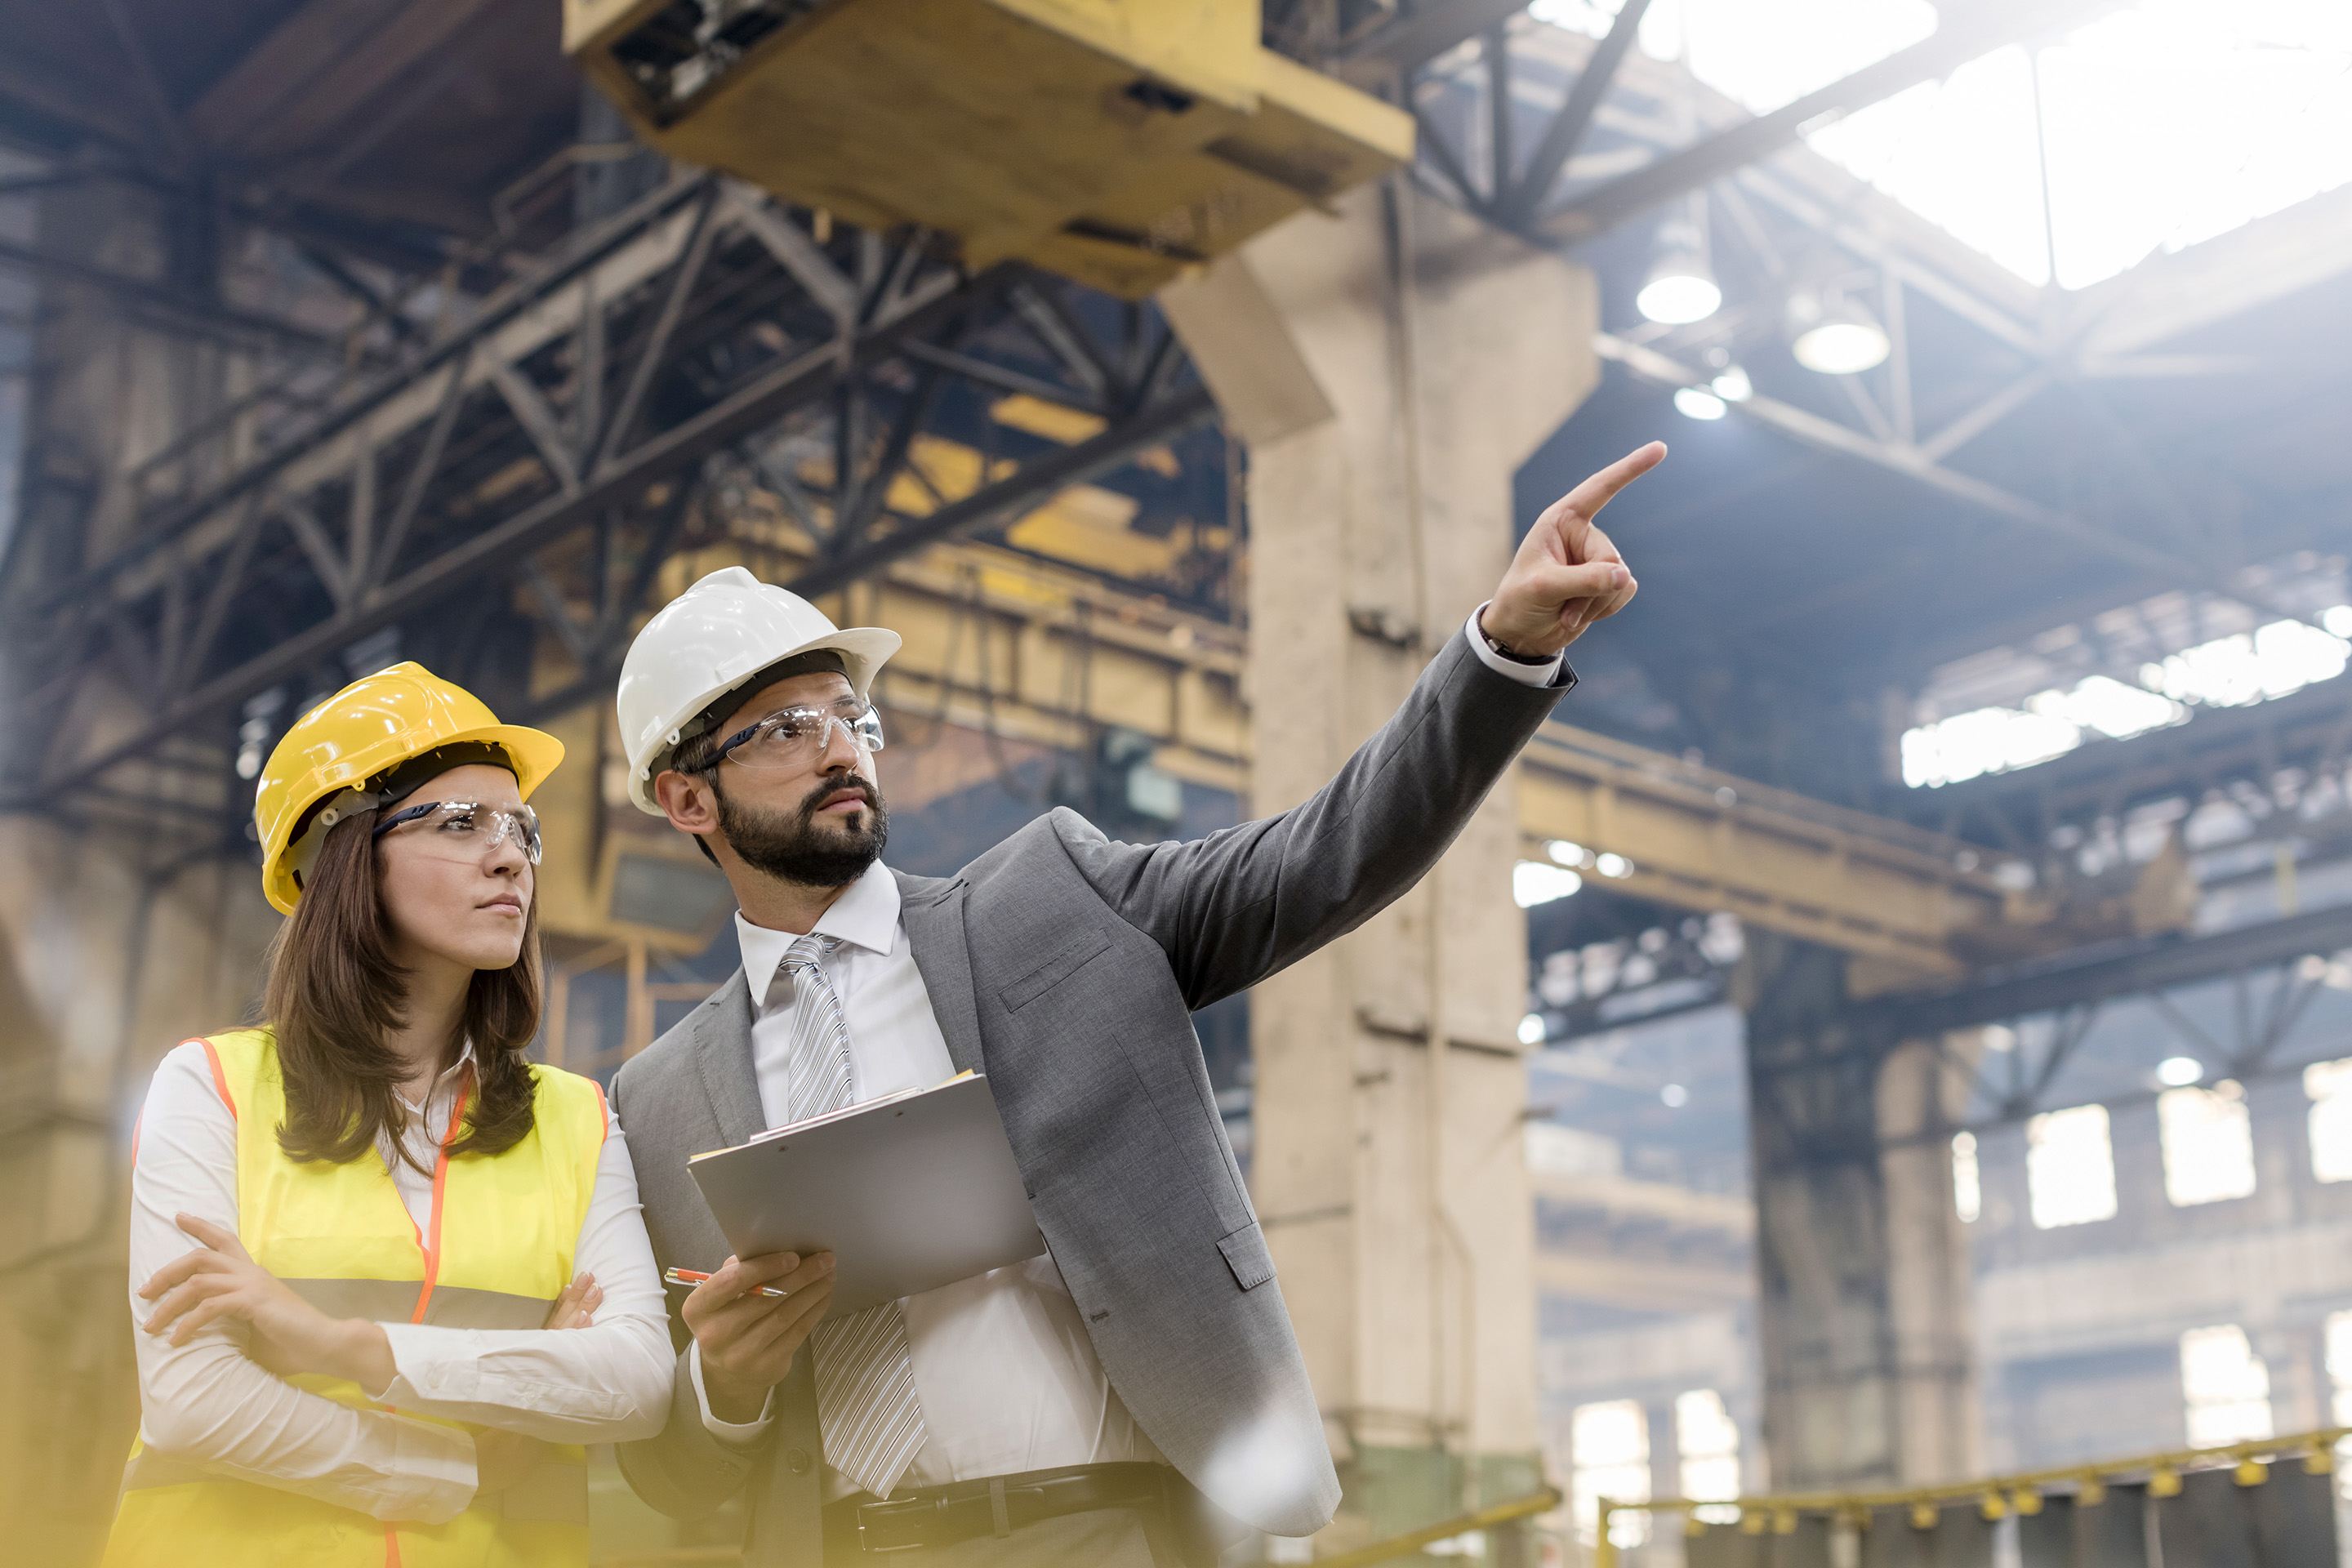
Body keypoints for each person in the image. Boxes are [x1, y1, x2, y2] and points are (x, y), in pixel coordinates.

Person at [608, 443, 1662, 1566]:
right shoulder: (659, 1101)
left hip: (1119, 1531)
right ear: (685, 798)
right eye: (783, 728)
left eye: (848, 716)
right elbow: (665, 1471)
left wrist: (1501, 649)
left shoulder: (1050, 900)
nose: (839, 748)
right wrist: (721, 1387)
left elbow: (1325, 858)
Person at [103, 662, 675, 1567]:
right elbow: (194, 1397)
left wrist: (348, 1348)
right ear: (345, 855)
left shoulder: (579, 1120)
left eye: (520, 829)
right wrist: (466, 1462)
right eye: (460, 823)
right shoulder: (210, 1087)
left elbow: (638, 1383)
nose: (510, 855)